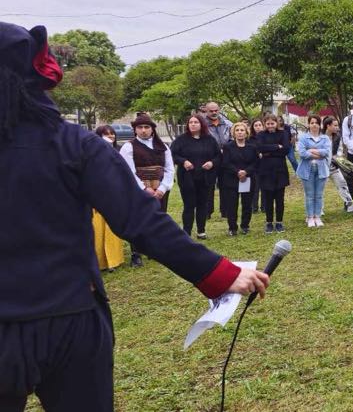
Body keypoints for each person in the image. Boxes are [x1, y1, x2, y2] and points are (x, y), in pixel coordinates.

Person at [0, 21, 268, 411]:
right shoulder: (74, 144)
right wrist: (221, 274)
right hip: (69, 320)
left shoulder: (76, 144)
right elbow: (141, 221)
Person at [119, 113, 174, 267]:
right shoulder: (128, 147)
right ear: (135, 130)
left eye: (146, 127)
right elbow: (128, 171)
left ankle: (155, 250)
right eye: (140, 127)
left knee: (158, 218)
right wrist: (144, 188)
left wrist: (163, 188)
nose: (143, 130)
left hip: (160, 190)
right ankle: (136, 253)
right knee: (138, 220)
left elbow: (169, 169)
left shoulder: (163, 147)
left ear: (152, 129)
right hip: (139, 190)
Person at [170, 114, 221, 239]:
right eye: (191, 122)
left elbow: (218, 156)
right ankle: (186, 232)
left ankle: (201, 231)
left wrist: (211, 163)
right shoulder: (181, 139)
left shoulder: (210, 140)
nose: (193, 124)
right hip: (187, 177)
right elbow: (172, 154)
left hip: (205, 177)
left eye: (196, 122)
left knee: (202, 204)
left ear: (201, 124)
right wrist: (183, 161)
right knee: (189, 205)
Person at [92, 125, 125, 271]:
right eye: (106, 134)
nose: (111, 136)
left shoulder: (119, 151)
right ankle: (99, 261)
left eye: (112, 134)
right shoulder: (91, 152)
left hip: (114, 192)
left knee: (112, 228)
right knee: (97, 228)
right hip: (96, 193)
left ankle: (113, 260)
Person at [220, 122, 258, 236]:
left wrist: (246, 172)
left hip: (248, 178)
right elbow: (226, 163)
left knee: (247, 204)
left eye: (242, 130)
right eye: (237, 130)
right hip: (232, 179)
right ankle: (232, 227)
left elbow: (256, 162)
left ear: (246, 133)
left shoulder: (252, 147)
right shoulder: (227, 147)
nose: (240, 132)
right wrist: (238, 172)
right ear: (233, 133)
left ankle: (245, 225)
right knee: (232, 204)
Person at [256, 114, 291, 233]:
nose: (270, 126)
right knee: (268, 199)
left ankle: (279, 222)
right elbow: (260, 147)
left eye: (272, 123)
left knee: (279, 199)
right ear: (265, 124)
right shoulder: (261, 135)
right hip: (266, 171)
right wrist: (276, 146)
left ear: (277, 123)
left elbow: (285, 150)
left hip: (280, 170)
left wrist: (268, 152)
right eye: (268, 124)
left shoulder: (283, 134)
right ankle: (269, 222)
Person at [297, 115, 331, 228]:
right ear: (308, 124)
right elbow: (302, 153)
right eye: (312, 123)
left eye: (316, 123)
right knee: (310, 195)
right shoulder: (303, 138)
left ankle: (317, 216)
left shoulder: (325, 138)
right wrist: (317, 154)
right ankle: (310, 217)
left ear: (320, 125)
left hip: (321, 170)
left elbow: (326, 152)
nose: (314, 125)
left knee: (319, 195)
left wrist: (310, 150)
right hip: (307, 170)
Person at [322, 116, 353, 213]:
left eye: (337, 125)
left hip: (333, 167)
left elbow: (339, 151)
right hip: (322, 168)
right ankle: (319, 209)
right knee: (320, 189)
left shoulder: (337, 137)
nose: (337, 128)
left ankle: (350, 204)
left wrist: (337, 158)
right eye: (335, 125)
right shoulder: (320, 137)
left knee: (342, 183)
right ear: (328, 126)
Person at [203, 101, 232, 220]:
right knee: (208, 185)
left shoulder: (227, 123)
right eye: (211, 111)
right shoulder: (202, 125)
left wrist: (226, 149)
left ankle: (225, 211)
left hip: (225, 158)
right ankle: (207, 212)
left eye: (216, 110)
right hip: (209, 159)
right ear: (206, 111)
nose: (214, 113)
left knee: (225, 185)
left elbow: (232, 138)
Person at [249, 118, 265, 214]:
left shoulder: (265, 137)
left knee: (264, 187)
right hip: (255, 166)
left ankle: (264, 206)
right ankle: (254, 207)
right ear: (253, 127)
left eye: (259, 125)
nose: (258, 127)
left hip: (265, 165)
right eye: (256, 125)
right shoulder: (250, 139)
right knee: (255, 187)